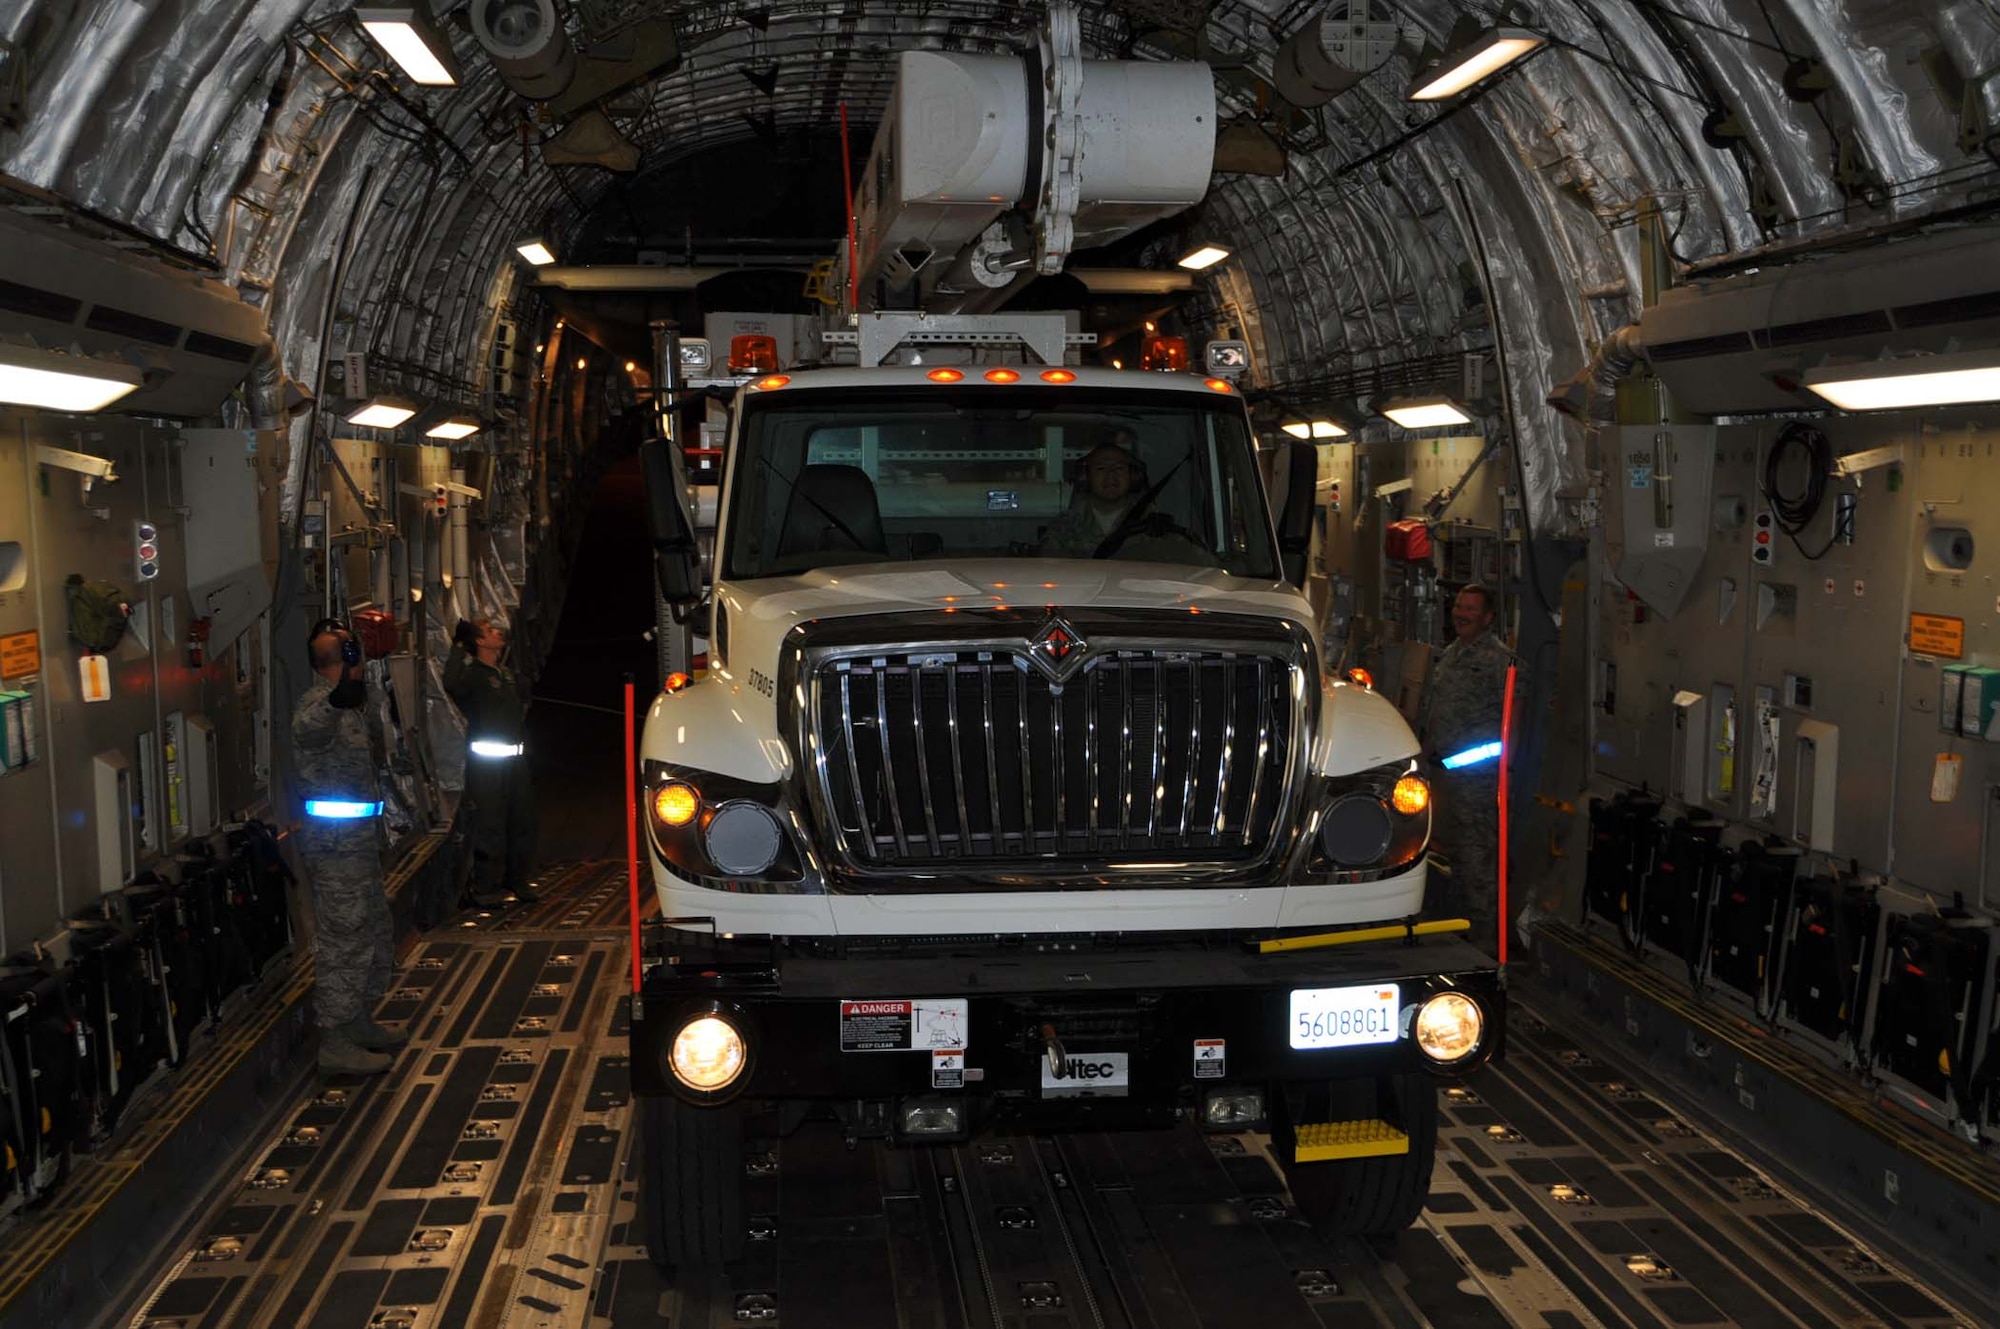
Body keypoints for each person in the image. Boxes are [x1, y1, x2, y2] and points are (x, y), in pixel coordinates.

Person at [291, 619, 410, 1075]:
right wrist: (344, 689)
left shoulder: (354, 705)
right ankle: (336, 1042)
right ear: (339, 663)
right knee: (345, 939)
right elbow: (312, 729)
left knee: (372, 932)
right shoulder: (318, 706)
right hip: (335, 849)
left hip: (359, 846)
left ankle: (359, 1020)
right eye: (351, 654)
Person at [1418, 584, 1515, 956]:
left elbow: (1513, 721)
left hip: (1477, 779)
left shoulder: (1500, 661)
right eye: (1458, 605)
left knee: (1477, 858)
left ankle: (1486, 939)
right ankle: (1463, 927)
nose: (1461, 613)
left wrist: (1504, 773)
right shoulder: (1450, 655)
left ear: (1487, 617)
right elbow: (1435, 711)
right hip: (1443, 774)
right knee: (1454, 854)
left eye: (1471, 608)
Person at [446, 617, 539, 908]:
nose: (498, 633)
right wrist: (459, 646)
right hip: (487, 765)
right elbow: (451, 685)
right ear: (480, 642)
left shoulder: (506, 675)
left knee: (522, 821)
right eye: (489, 631)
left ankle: (517, 879)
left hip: (515, 763)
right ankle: (485, 887)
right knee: (490, 825)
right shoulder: (473, 676)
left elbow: (523, 699)